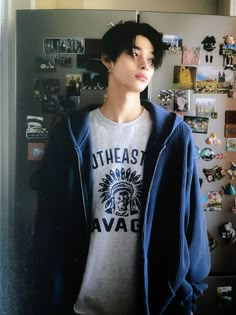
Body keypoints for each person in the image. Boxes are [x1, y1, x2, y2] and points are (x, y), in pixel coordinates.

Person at [30, 21, 210, 315]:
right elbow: (48, 224)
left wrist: (189, 293)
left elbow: (193, 226)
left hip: (155, 306)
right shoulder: (70, 135)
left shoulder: (174, 137)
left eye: (151, 59)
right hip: (80, 305)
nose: (145, 65)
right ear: (107, 60)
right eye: (134, 54)